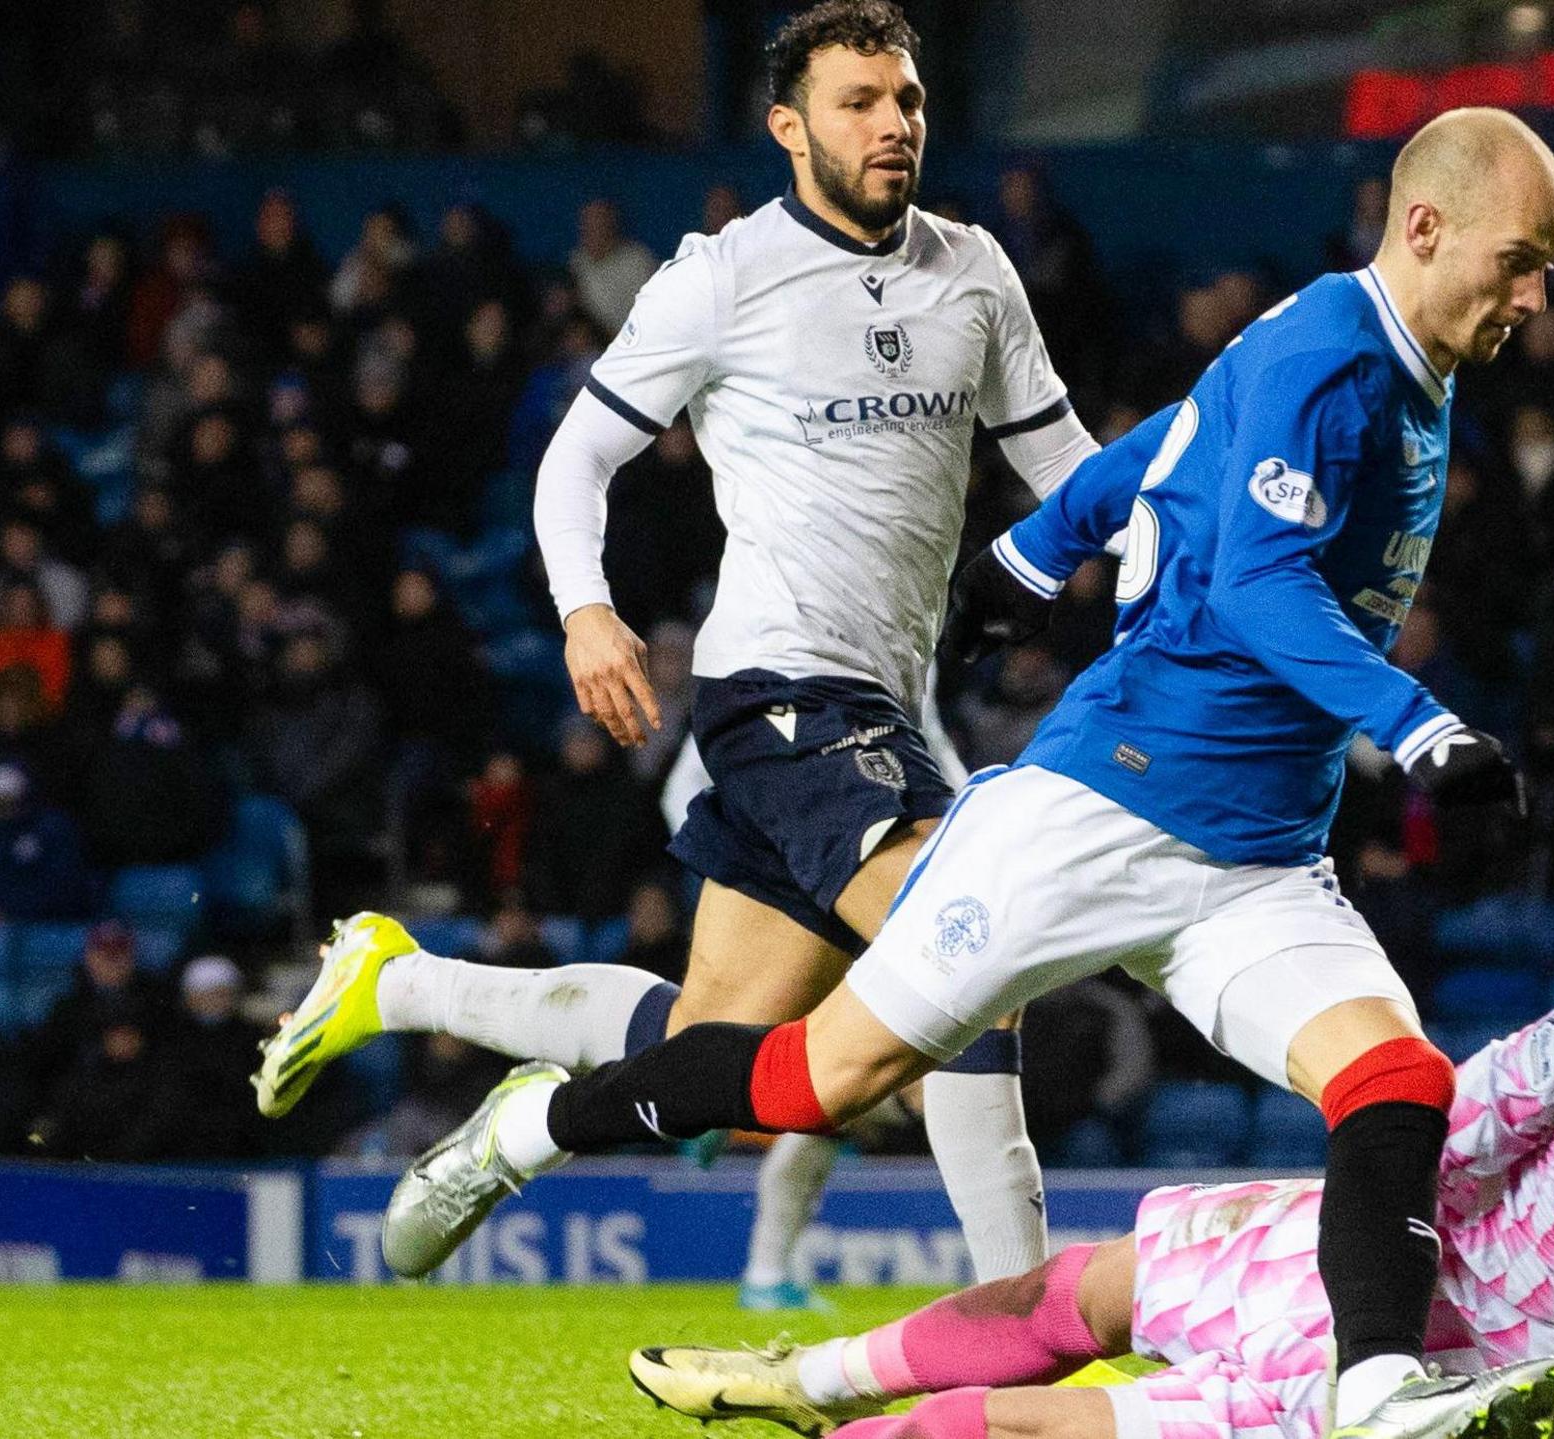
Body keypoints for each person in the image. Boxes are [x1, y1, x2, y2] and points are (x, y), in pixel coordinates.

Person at [385, 105, 1554, 1439]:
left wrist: (1035, 547)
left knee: (1399, 1081)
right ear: (1427, 227)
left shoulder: (1392, 356)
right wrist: (1414, 725)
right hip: (1097, 812)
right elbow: (1253, 583)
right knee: (808, 1082)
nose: (1538, 293)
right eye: (1522, 259)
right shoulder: (1332, 359)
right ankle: (535, 1128)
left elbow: (1178, 438)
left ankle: (1376, 1391)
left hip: (1255, 861)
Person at [251, 0, 1104, 1303]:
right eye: (859, 103)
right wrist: (587, 609)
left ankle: (411, 994)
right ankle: (1032, 1339)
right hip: (781, 690)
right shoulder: (722, 276)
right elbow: (575, 462)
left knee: (712, 1037)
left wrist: (1178, 551)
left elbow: (1067, 474)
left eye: (909, 102)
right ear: (786, 126)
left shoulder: (974, 271)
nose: (892, 125)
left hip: (887, 701)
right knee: (971, 948)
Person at [626, 892, 1554, 1439]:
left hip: (1438, 1413)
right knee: (1087, 1284)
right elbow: (1452, 1125)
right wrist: (1347, 1266)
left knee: (1040, 1437)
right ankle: (795, 1384)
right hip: (1378, 1265)